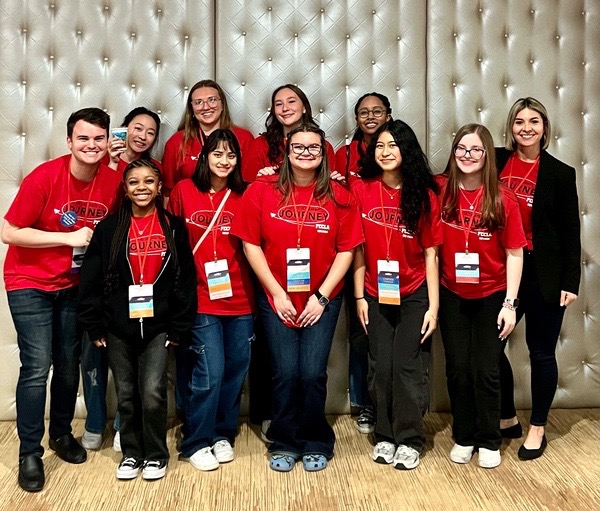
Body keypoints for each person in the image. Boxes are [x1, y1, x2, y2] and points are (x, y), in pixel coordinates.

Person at [1, 108, 122, 492]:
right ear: (69, 141)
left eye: (98, 139)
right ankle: (30, 453)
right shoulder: (45, 177)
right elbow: (10, 233)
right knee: (37, 365)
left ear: (107, 143)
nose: (91, 145)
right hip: (29, 282)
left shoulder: (112, 181)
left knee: (69, 364)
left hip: (74, 287)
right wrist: (66, 239)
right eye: (83, 138)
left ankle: (60, 434)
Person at [231, 122, 363, 472]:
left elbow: (347, 249)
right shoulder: (261, 190)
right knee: (286, 372)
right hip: (277, 297)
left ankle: (316, 439)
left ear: (324, 154)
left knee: (312, 373)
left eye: (313, 148)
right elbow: (250, 244)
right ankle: (285, 440)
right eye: (299, 147)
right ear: (287, 152)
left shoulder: (340, 195)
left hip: (323, 298)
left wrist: (321, 296)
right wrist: (276, 293)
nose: (306, 153)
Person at [78, 159, 197, 481]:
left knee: (153, 389)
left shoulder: (173, 227)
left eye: (148, 181)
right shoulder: (109, 228)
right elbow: (89, 280)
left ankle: (156, 454)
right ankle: (132, 452)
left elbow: (186, 279)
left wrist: (179, 326)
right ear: (126, 189)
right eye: (134, 182)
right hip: (118, 326)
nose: (141, 187)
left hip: (159, 326)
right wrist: (94, 324)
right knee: (127, 392)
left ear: (159, 188)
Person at [353, 119, 441, 470]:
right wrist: (360, 297)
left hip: (414, 293)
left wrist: (433, 306)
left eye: (393, 145)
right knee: (381, 366)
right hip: (375, 294)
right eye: (380, 146)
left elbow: (431, 253)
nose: (386, 152)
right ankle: (385, 435)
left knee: (407, 366)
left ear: (407, 150)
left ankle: (410, 438)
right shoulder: (362, 190)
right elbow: (357, 248)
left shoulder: (424, 195)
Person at [437, 124, 526, 469]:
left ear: (487, 155)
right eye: (461, 148)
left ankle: (489, 439)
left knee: (486, 370)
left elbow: (515, 253)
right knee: (458, 369)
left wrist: (510, 304)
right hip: (451, 293)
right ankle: (464, 436)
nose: (467, 155)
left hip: (492, 294)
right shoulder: (441, 190)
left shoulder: (503, 197)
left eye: (475, 150)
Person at [496, 97, 581, 460]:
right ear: (511, 127)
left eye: (533, 121)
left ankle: (537, 428)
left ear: (544, 128)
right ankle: (507, 417)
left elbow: (569, 231)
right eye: (519, 121)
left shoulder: (560, 173)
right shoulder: (496, 160)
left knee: (541, 352)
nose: (526, 128)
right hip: (501, 270)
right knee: (490, 347)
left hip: (545, 275)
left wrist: (571, 281)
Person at [167, 129, 255, 471]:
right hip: (201, 298)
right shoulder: (184, 191)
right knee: (210, 372)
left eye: (231, 155)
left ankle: (222, 433)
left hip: (241, 298)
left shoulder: (245, 194)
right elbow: (171, 243)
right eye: (217, 154)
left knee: (235, 370)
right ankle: (196, 440)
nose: (224, 161)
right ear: (204, 157)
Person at [82, 106, 162, 452]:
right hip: (104, 269)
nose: (142, 136)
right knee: (96, 355)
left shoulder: (151, 173)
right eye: (137, 128)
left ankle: (124, 428)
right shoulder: (100, 163)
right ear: (124, 129)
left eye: (150, 132)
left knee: (138, 377)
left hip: (141, 276)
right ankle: (96, 421)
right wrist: (113, 165)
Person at [336, 93, 392, 435]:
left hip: (394, 260)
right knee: (361, 334)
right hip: (352, 255)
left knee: (389, 337)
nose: (370, 117)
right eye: (363, 112)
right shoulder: (344, 155)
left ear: (388, 114)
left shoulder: (398, 147)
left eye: (377, 111)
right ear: (356, 119)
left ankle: (389, 402)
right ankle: (365, 404)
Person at [161, 79, 254, 196]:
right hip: (190, 211)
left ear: (222, 104)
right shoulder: (177, 141)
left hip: (233, 209)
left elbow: (251, 186)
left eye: (212, 100)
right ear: (192, 109)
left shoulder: (244, 138)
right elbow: (168, 192)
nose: (206, 107)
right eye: (198, 102)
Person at [243, 84, 336, 182]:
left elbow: (329, 186)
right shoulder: (261, 144)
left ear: (304, 107)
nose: (285, 108)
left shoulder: (323, 146)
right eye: (279, 104)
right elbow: (247, 184)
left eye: (291, 102)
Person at [104, 106, 162, 173]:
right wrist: (113, 163)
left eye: (150, 133)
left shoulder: (155, 168)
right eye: (138, 128)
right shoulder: (102, 159)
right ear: (125, 128)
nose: (143, 137)